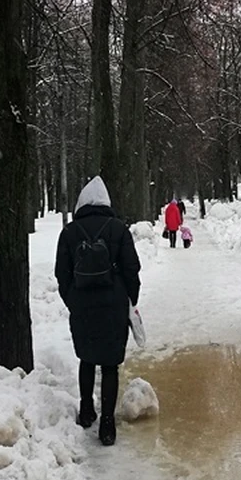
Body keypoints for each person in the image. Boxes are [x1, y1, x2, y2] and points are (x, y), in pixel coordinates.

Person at [55, 176, 141, 446]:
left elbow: (62, 273)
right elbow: (131, 268)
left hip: (82, 303)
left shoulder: (69, 232)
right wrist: (130, 299)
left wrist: (72, 299)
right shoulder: (118, 229)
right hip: (113, 305)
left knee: (87, 359)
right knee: (110, 365)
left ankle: (86, 410)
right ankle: (107, 424)